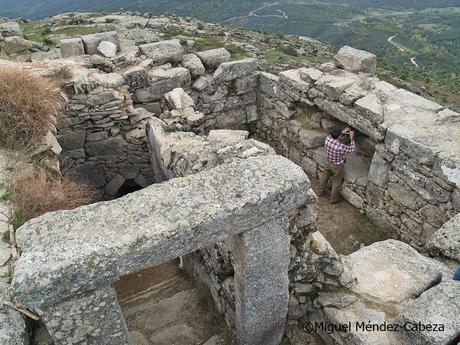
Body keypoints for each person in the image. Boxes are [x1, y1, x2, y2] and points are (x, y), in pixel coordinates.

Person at [318, 126, 356, 204]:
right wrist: (352, 138)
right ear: (339, 136)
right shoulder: (340, 147)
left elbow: (334, 135)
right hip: (337, 166)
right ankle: (333, 199)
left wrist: (342, 131)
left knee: (324, 177)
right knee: (336, 182)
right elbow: (352, 149)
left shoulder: (327, 139)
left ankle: (320, 192)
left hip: (328, 162)